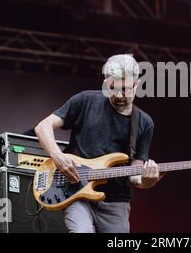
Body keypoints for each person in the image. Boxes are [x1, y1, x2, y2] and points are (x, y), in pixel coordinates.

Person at [34, 54, 161, 233]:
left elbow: (135, 174)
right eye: (112, 88)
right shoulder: (85, 100)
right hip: (76, 193)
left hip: (116, 203)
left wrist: (147, 181)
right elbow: (43, 127)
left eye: (124, 89)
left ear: (137, 85)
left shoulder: (144, 123)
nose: (118, 95)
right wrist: (58, 158)